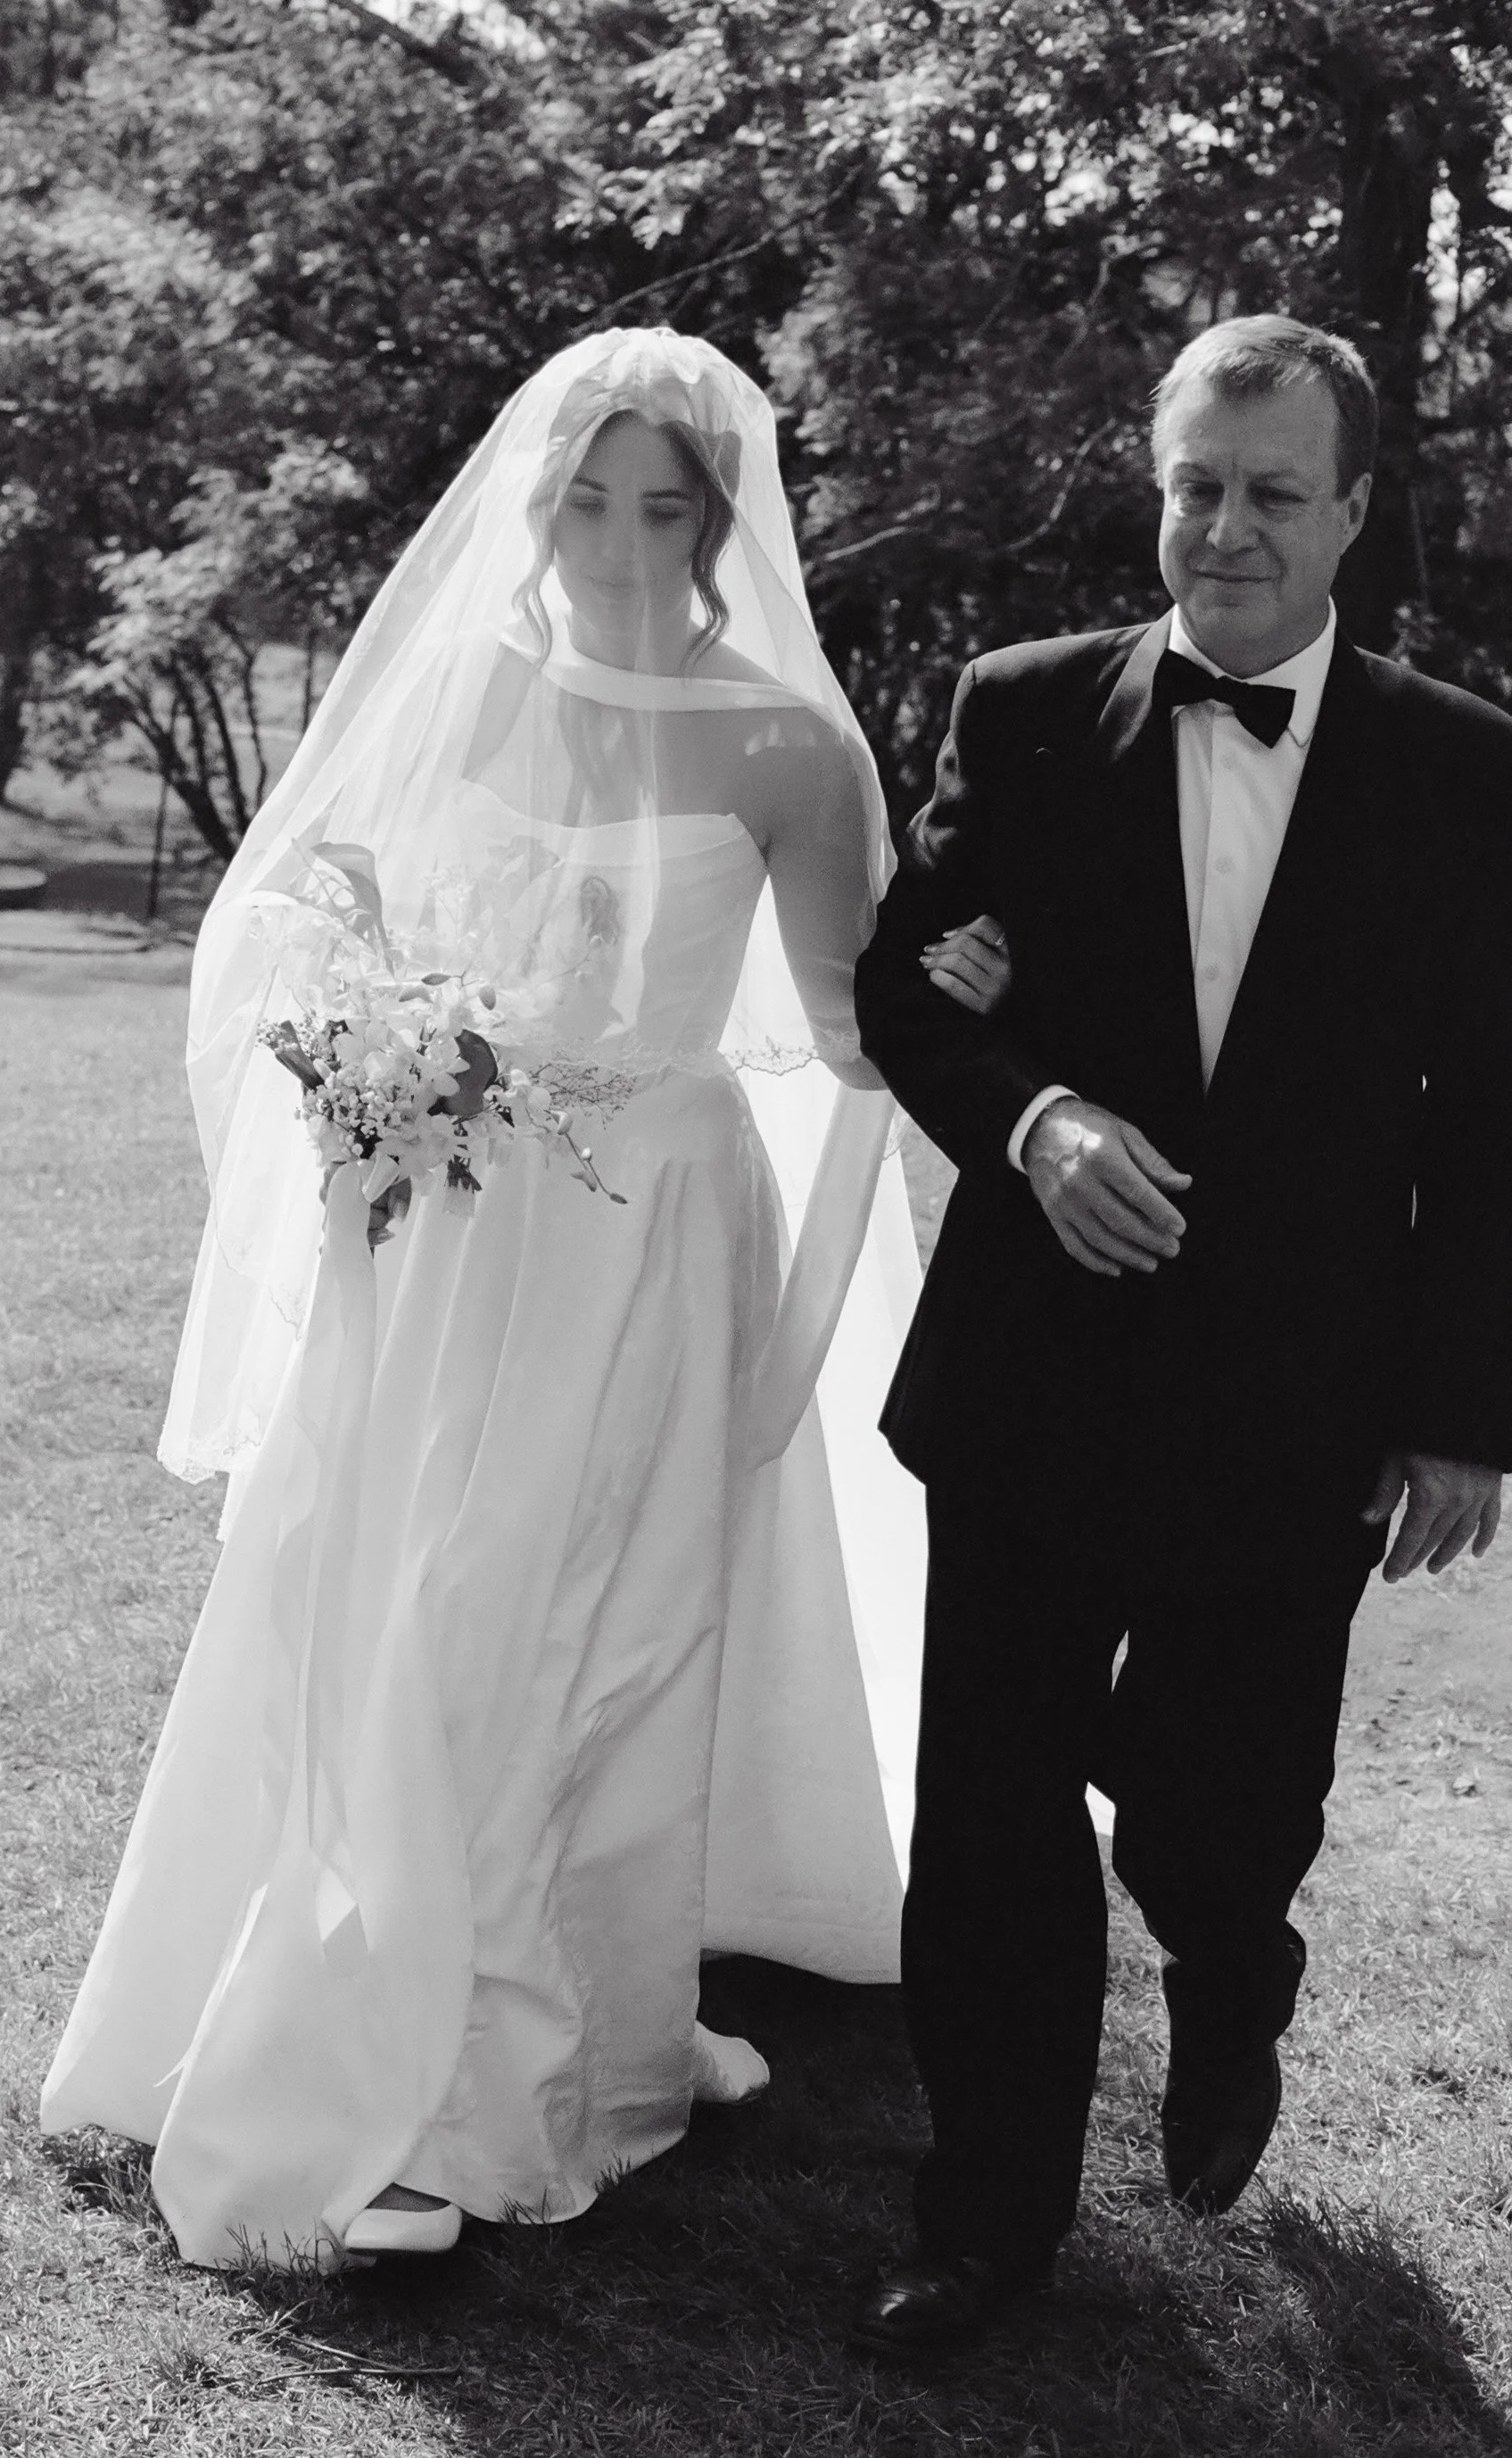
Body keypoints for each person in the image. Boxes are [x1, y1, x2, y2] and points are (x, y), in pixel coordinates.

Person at [39, 328, 952, 2267]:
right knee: (397, 1596)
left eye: (665, 504)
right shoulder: (459, 691)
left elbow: (851, 1030)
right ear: (534, 506)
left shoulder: (788, 744)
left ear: (720, 522)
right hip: (442, 1216)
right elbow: (307, 914)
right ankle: (329, 2005)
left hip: (646, 1227)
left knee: (595, 1616)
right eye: (587, 499)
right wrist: (361, 1057)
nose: (623, 540)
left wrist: (974, 990)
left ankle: (569, 2044)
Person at [849, 314, 1512, 2356]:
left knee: (1221, 1822)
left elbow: (1494, 1115)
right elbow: (911, 989)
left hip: (1295, 1398)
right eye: (1195, 486)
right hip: (1037, 1370)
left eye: (1271, 494)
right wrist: (1032, 1118)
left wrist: (1466, 1419)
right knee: (990, 1813)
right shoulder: (1025, 710)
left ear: (1352, 516)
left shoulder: (1469, 768)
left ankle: (1234, 1983)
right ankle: (987, 2221)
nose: (1223, 531)